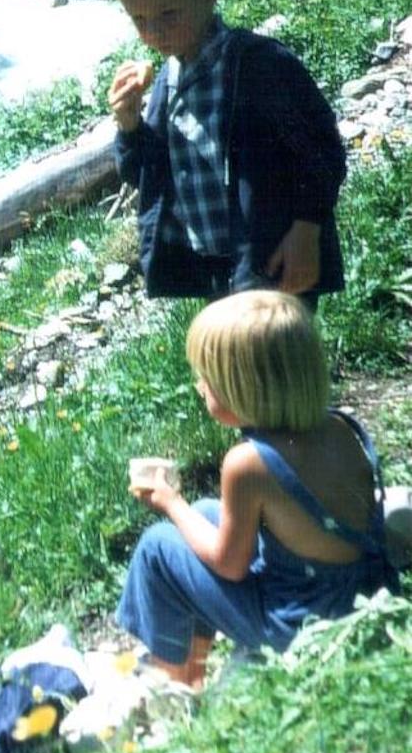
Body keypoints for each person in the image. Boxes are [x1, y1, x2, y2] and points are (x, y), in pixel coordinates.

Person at [116, 291, 398, 689]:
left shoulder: (248, 464)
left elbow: (229, 564)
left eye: (207, 379)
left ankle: (175, 681)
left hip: (302, 625)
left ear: (243, 390)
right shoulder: (338, 428)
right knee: (209, 511)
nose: (199, 386)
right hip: (359, 591)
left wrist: (170, 502)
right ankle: (193, 658)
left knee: (158, 547)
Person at [105, 0, 346, 304]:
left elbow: (322, 152)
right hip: (214, 264)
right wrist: (129, 126)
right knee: (233, 362)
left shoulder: (259, 64)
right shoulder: (167, 79)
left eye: (168, 14)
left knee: (272, 359)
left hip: (272, 255)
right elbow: (143, 177)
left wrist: (307, 227)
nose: (154, 33)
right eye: (140, 19)